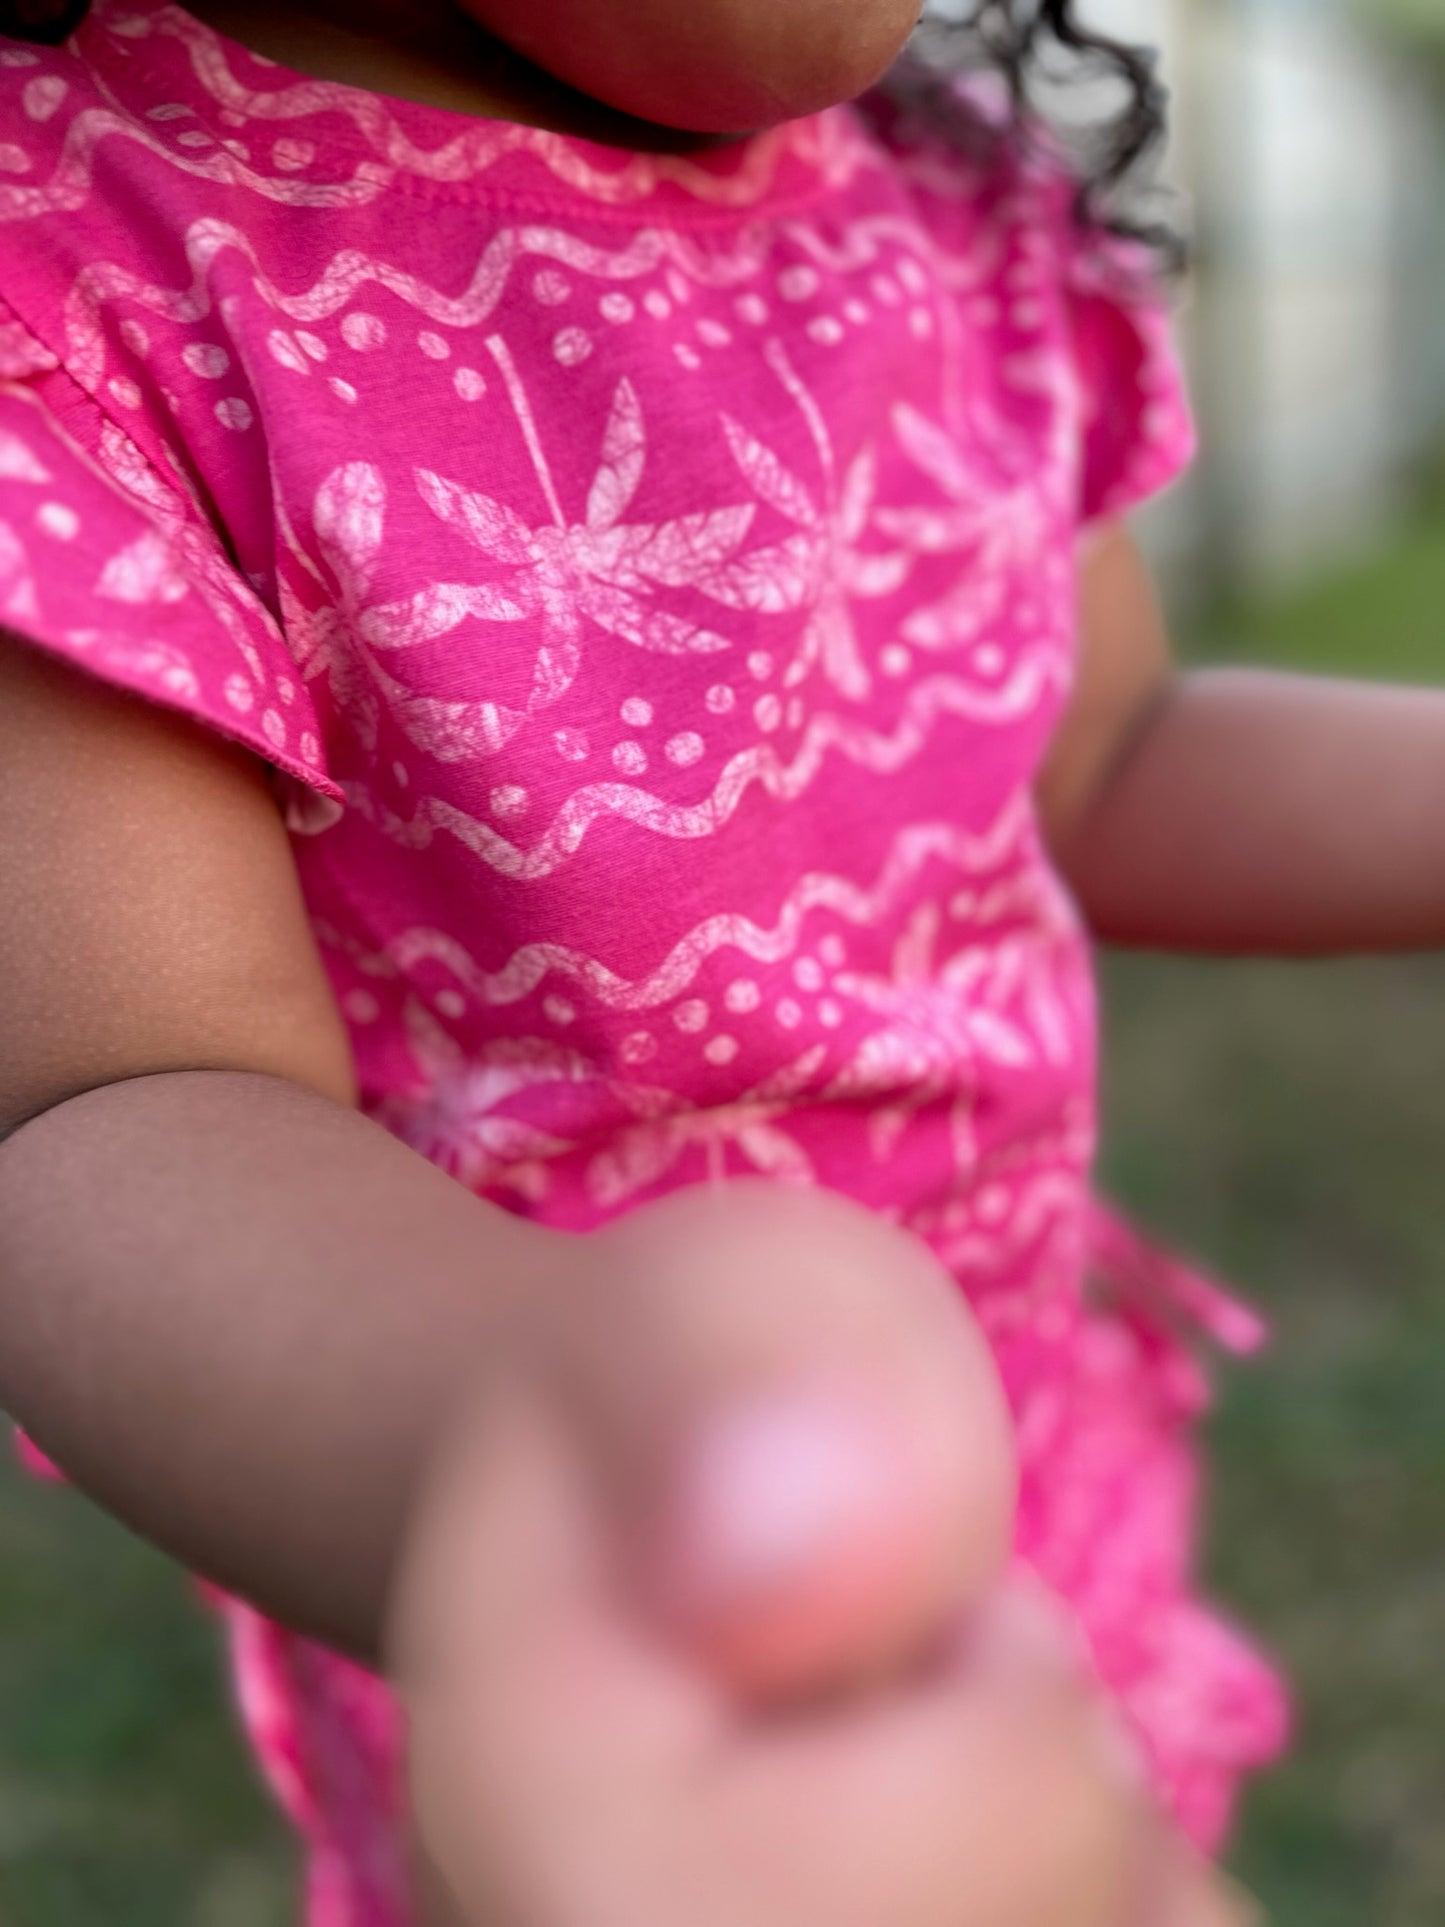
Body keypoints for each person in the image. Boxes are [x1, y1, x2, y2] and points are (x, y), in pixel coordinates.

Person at [3, 0, 1441, 1918]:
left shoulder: (945, 208)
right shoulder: (81, 278)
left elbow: (1104, 759)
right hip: (656, 1671)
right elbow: (116, 1098)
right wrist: (577, 1480)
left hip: (1043, 1479)